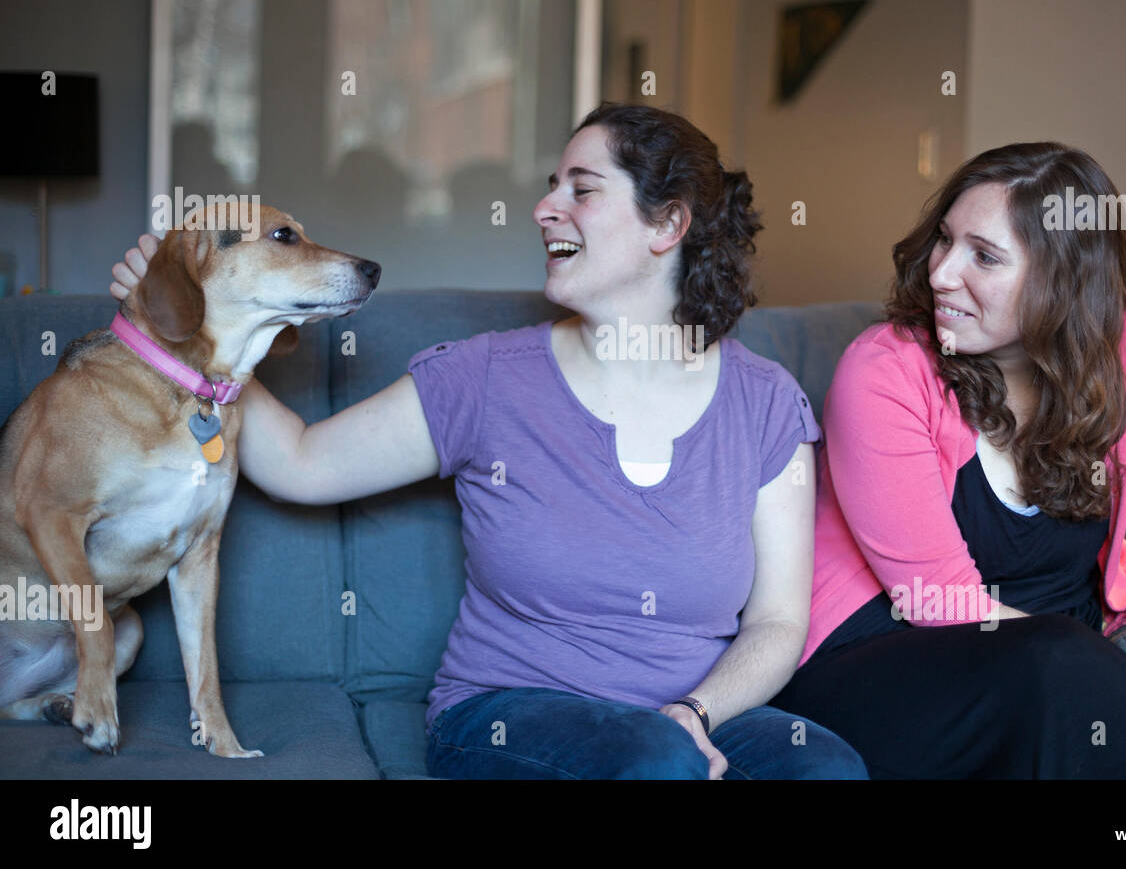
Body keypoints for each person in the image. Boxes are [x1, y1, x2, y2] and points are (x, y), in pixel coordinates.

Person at [111, 102, 867, 780]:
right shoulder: (489, 379)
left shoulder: (765, 402)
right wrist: (188, 337)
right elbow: (305, 464)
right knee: (654, 762)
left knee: (827, 768)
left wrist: (696, 713)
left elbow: (777, 624)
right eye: (551, 184)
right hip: (509, 718)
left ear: (667, 225)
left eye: (581, 188)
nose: (544, 208)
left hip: (696, 718)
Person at [769, 142, 1126, 778]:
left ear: (1062, 281)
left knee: (1063, 676)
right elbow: (939, 603)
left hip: (1058, 679)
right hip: (881, 663)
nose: (940, 272)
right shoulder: (884, 372)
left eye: (984, 256)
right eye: (945, 239)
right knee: (1060, 662)